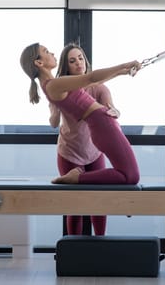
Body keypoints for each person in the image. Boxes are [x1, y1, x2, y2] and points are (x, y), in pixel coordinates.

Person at [19, 42, 141, 186]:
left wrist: (122, 72)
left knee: (129, 175)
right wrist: (124, 65)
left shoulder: (55, 83)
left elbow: (93, 82)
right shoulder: (53, 85)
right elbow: (91, 78)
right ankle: (76, 178)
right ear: (39, 62)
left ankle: (78, 178)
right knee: (130, 176)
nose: (52, 53)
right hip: (102, 124)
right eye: (46, 52)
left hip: (102, 124)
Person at [49, 43, 119, 235]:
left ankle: (101, 245)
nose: (78, 63)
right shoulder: (61, 88)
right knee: (75, 204)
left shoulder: (99, 88)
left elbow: (112, 108)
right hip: (69, 152)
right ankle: (74, 252)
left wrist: (112, 112)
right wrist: (55, 107)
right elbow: (53, 123)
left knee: (99, 201)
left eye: (80, 58)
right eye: (72, 61)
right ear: (67, 67)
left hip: (94, 151)